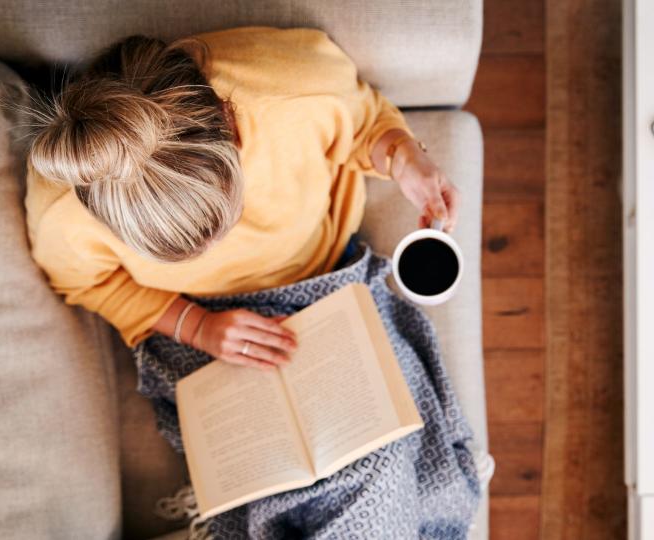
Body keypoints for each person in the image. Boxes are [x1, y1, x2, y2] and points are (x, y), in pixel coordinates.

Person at [24, 27, 460, 367]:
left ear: (229, 121)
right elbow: (86, 283)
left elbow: (364, 123)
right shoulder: (63, 206)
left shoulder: (296, 87)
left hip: (325, 275)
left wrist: (402, 156)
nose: (220, 248)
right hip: (199, 320)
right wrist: (197, 327)